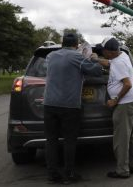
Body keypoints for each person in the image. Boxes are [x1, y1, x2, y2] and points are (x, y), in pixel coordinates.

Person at [43, 33, 102, 184]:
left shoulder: (50, 56)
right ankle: (69, 175)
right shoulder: (77, 58)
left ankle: (52, 174)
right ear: (76, 45)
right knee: (69, 141)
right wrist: (93, 57)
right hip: (69, 106)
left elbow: (47, 68)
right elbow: (96, 71)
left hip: (49, 104)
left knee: (51, 141)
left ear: (62, 44)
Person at [93, 37, 133, 179]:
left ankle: (122, 170)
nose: (102, 52)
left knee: (121, 140)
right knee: (132, 136)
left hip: (125, 104)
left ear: (110, 51)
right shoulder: (122, 55)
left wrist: (115, 100)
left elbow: (127, 84)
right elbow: (109, 63)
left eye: (103, 51)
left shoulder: (119, 62)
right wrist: (96, 59)